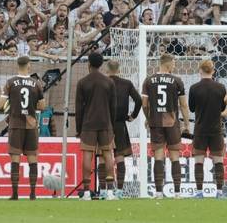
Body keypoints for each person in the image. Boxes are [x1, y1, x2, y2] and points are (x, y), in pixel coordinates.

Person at [141, 53, 188, 198]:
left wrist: (148, 118)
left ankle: (159, 192)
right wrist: (186, 124)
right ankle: (177, 192)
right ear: (167, 64)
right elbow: (184, 105)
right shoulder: (177, 81)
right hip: (172, 123)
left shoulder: (148, 81)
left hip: (155, 122)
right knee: (175, 157)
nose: (175, 65)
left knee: (158, 157)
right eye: (174, 63)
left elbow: (144, 104)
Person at [0, 55, 44, 200]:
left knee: (15, 159)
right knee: (32, 158)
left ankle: (15, 194)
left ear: (17, 65)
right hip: (31, 125)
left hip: (15, 124)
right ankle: (32, 193)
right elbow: (42, 106)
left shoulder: (10, 82)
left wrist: (10, 106)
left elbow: (0, 105)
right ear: (29, 65)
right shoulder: (36, 83)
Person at [74, 51, 117, 200]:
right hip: (106, 123)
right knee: (108, 155)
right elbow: (113, 106)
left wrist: (79, 128)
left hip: (88, 124)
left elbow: (78, 108)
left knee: (87, 155)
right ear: (101, 64)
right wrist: (111, 125)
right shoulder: (109, 82)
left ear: (89, 64)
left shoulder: (82, 82)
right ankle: (110, 192)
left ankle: (86, 192)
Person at [187, 59, 227, 198]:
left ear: (200, 70)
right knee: (218, 161)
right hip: (216, 129)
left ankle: (199, 192)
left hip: (200, 129)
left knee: (199, 161)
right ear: (213, 71)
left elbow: (192, 108)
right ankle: (219, 192)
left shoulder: (194, 88)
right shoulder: (221, 88)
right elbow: (222, 108)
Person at [106, 60, 142, 195]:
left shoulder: (104, 83)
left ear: (107, 69)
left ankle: (105, 190)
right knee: (119, 157)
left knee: (105, 157)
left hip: (105, 124)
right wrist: (133, 116)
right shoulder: (126, 83)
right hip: (120, 124)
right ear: (119, 70)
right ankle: (120, 191)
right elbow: (138, 100)